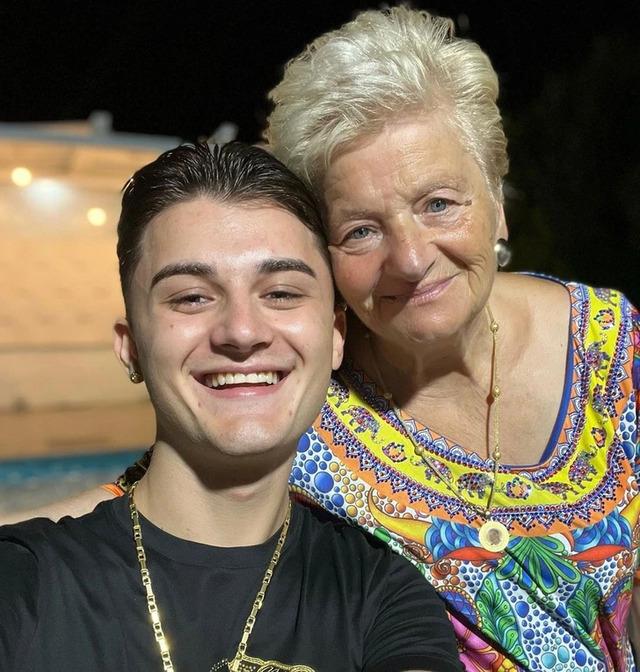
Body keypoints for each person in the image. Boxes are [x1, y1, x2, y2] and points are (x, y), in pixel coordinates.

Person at [5, 6, 639, 671]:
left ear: (498, 204)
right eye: (361, 229)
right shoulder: (296, 389)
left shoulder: (610, 342)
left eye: (439, 204)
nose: (411, 258)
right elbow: (137, 511)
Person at [0, 142, 462, 672]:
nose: (242, 331)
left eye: (281, 293)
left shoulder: (382, 598)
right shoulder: (23, 582)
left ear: (336, 336)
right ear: (132, 348)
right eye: (191, 297)